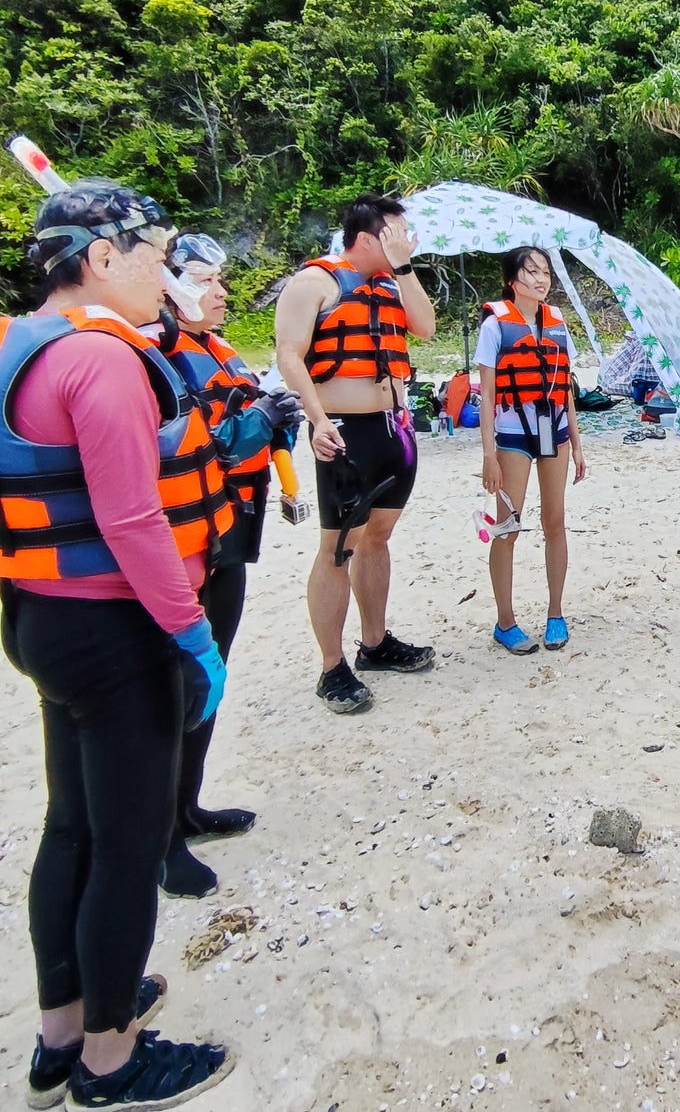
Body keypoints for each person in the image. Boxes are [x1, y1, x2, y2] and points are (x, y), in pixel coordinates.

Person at [1, 181, 234, 1107]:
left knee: (73, 824)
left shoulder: (18, 340)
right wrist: (192, 633)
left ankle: (62, 1030)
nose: (167, 272)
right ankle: (110, 1057)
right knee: (130, 842)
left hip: (39, 617)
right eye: (156, 252)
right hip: (114, 626)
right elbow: (134, 518)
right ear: (102, 258)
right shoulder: (100, 360)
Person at [154, 232, 302, 897]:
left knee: (208, 680)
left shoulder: (215, 348)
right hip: (186, 545)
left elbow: (245, 422)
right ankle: (159, 839)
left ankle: (186, 807)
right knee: (175, 686)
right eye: (206, 281)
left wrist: (280, 416)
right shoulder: (154, 358)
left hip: (230, 534)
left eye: (221, 280)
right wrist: (256, 420)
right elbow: (200, 441)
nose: (221, 293)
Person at [274, 193, 437, 712]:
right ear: (367, 237)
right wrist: (318, 419)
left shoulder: (392, 282)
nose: (405, 240)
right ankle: (331, 667)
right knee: (338, 548)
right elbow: (288, 356)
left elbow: (426, 327)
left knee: (378, 537)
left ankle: (375, 644)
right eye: (396, 233)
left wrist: (405, 266)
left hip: (394, 429)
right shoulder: (313, 283)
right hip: (344, 433)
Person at [476, 246, 587, 654]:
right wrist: (489, 455)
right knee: (508, 528)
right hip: (512, 433)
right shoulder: (494, 326)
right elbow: (486, 396)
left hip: (554, 431)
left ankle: (555, 613)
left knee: (554, 522)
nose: (541, 279)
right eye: (531, 272)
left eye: (545, 272)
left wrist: (577, 445)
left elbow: (567, 391)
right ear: (512, 280)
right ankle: (505, 622)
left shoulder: (557, 323)